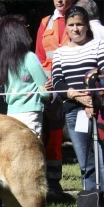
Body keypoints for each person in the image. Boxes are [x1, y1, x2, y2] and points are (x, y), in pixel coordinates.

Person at [52, 5, 104, 191]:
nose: (76, 29)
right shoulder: (59, 53)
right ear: (66, 27)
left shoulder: (98, 45)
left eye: (79, 24)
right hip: (74, 111)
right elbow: (57, 82)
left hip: (98, 110)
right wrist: (75, 95)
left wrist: (93, 101)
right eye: (71, 24)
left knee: (101, 156)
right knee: (85, 160)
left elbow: (102, 74)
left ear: (87, 25)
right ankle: (91, 199)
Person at [36, 0, 75, 200]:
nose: (59, 0)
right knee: (48, 136)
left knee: (58, 137)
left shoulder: (78, 18)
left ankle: (54, 184)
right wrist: (44, 82)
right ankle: (47, 185)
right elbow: (39, 56)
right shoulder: (46, 22)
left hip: (70, 86)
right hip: (49, 89)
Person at [0, 16, 50, 138]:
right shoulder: (30, 57)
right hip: (31, 112)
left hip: (11, 113)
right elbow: (45, 92)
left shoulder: (4, 60)